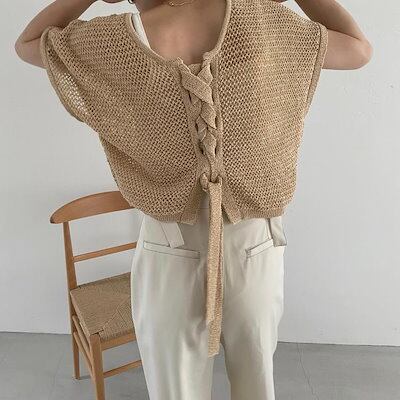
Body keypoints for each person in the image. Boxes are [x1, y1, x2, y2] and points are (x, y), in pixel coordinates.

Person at [15, 1, 372, 399]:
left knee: (176, 391)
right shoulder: (265, 23)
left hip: (169, 245)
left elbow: (28, 44)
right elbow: (359, 50)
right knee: (256, 386)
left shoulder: (112, 44)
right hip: (255, 243)